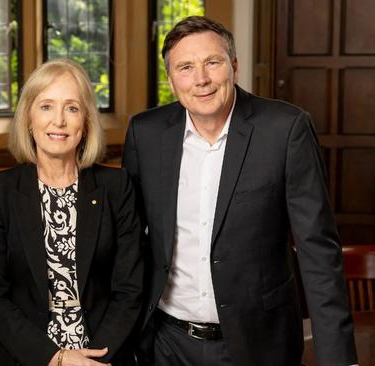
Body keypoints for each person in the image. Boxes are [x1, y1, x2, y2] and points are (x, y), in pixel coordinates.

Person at [122, 16, 357, 366]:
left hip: (258, 345)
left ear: (233, 66)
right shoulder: (146, 133)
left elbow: (318, 251)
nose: (200, 79)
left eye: (212, 63)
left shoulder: (285, 129)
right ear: (171, 80)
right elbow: (127, 242)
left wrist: (339, 359)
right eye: (185, 67)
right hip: (165, 344)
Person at [0, 58, 143, 366]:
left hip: (103, 357)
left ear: (87, 121)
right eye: (46, 107)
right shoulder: (0, 191)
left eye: (72, 108)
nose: (59, 121)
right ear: (28, 118)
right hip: (28, 358)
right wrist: (56, 358)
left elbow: (129, 290)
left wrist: (95, 360)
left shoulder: (116, 188)